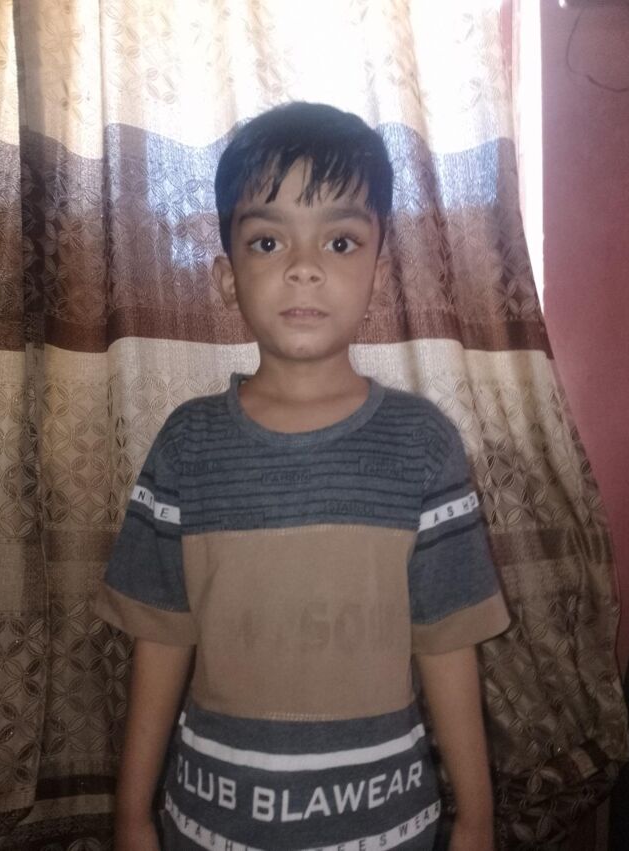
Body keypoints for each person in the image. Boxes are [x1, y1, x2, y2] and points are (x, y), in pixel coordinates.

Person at [94, 101, 510, 851]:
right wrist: (132, 816)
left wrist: (475, 821)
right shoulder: (187, 445)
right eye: (267, 240)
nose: (304, 266)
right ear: (227, 278)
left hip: (388, 826)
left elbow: (448, 643)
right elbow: (159, 640)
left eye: (340, 241)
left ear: (379, 273)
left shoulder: (423, 445)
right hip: (211, 825)